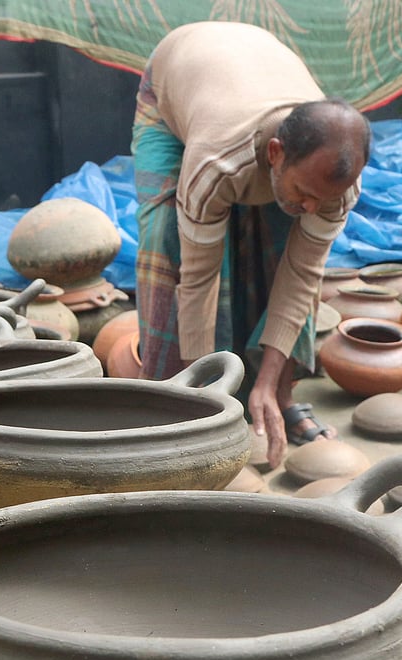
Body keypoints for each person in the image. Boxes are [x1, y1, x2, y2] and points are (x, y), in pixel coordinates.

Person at [131, 21, 370, 469]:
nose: (312, 205)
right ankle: (172, 400)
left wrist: (266, 379)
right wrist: (208, 403)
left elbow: (301, 279)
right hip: (172, 94)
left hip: (254, 72)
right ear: (276, 154)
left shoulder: (335, 189)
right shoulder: (218, 164)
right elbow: (197, 280)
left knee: (282, 242)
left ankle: (277, 395)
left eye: (325, 197)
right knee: (167, 239)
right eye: (303, 189)